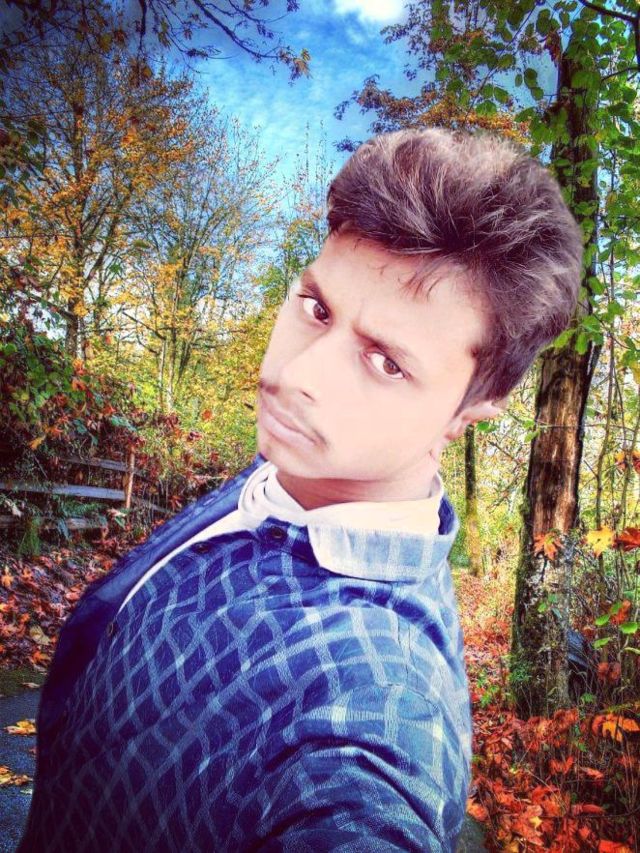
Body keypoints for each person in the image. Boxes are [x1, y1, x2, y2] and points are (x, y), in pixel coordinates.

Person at [18, 127, 583, 852]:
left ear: (472, 409)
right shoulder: (298, 470)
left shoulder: (375, 710)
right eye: (317, 309)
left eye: (386, 362)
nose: (297, 375)